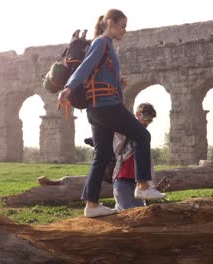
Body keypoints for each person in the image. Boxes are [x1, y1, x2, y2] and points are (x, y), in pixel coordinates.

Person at [57, 9, 166, 218]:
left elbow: (96, 71)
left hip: (96, 110)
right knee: (143, 135)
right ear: (110, 22)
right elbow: (86, 66)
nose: (125, 30)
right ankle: (143, 184)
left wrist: (117, 81)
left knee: (102, 155)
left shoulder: (106, 46)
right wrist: (69, 87)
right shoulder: (102, 42)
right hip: (106, 106)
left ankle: (92, 204)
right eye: (122, 26)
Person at [85, 103, 157, 211]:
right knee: (128, 213)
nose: (147, 123)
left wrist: (150, 184)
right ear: (137, 114)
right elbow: (113, 135)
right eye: (146, 118)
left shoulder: (143, 136)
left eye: (150, 121)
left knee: (139, 212)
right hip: (122, 179)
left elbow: (148, 162)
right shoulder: (125, 128)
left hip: (136, 182)